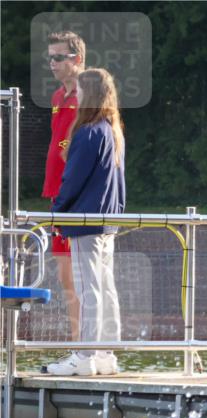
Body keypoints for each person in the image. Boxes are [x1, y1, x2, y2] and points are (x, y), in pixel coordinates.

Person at [45, 68, 125, 377]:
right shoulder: (112, 131)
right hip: (107, 221)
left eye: (78, 91)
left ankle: (85, 355)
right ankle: (106, 353)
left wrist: (58, 212)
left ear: (88, 94)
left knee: (89, 288)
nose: (74, 97)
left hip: (86, 221)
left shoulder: (88, 132)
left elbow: (72, 179)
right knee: (105, 287)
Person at [42, 30, 85, 342]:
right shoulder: (59, 96)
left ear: (77, 59)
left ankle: (84, 343)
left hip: (76, 194)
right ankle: (77, 341)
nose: (52, 63)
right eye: (50, 58)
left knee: (78, 275)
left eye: (58, 57)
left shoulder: (89, 94)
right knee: (64, 274)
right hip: (56, 193)